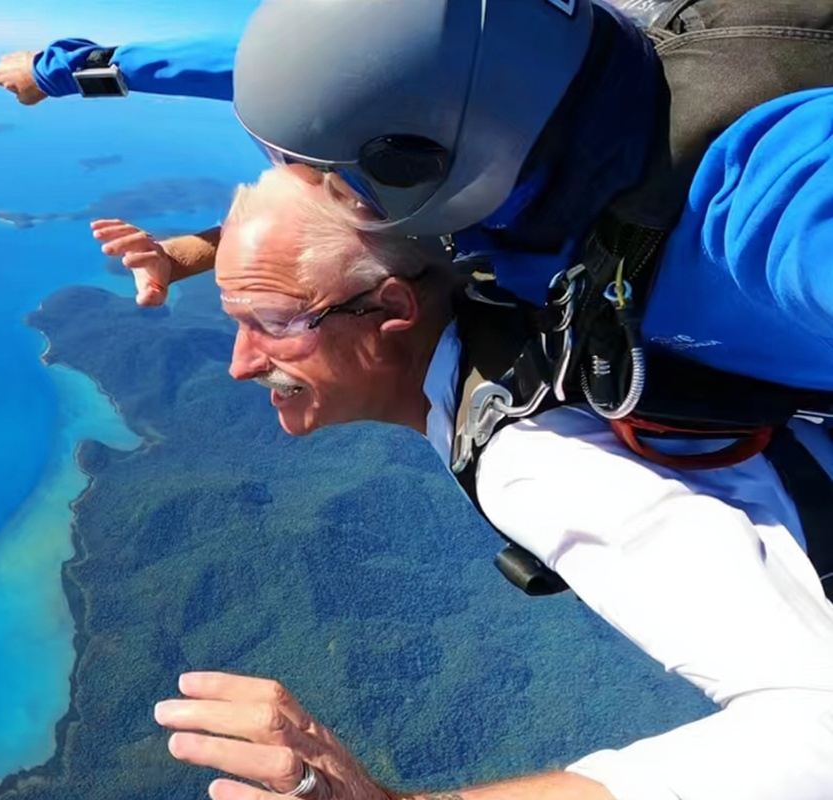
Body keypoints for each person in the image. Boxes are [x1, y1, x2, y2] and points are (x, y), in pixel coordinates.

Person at [142, 164, 833, 800]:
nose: (240, 363)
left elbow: (817, 727)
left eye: (272, 322)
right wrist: (193, 255)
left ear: (389, 309)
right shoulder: (495, 273)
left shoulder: (535, 466)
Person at [0, 0, 833, 413]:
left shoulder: (763, 196)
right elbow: (286, 62)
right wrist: (55, 70)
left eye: (338, 181)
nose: (318, 190)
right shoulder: (482, 99)